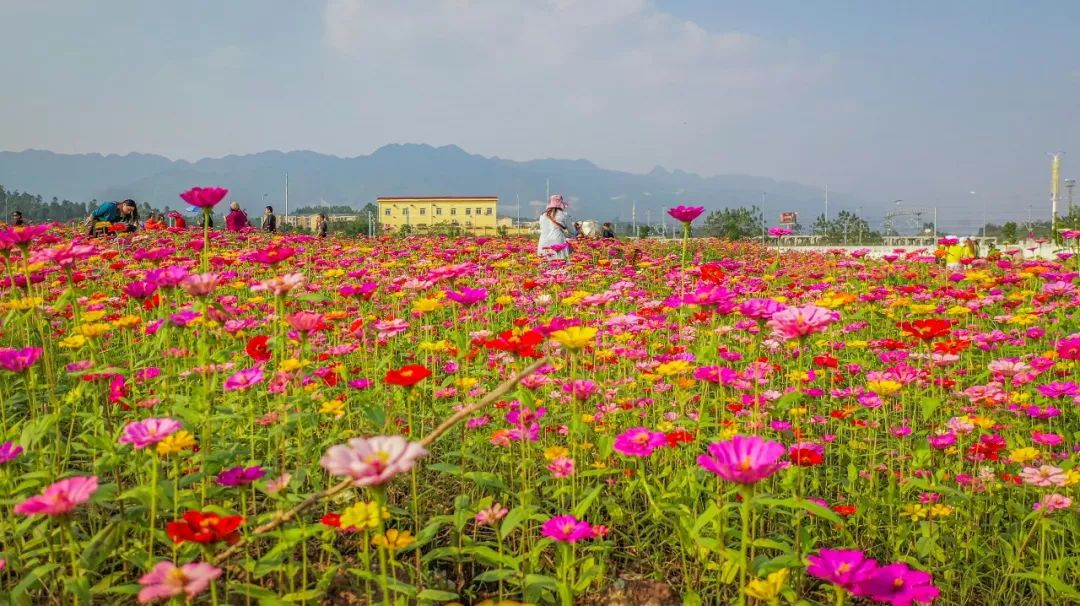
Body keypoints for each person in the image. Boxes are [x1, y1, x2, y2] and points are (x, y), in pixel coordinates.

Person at [537, 194, 570, 259]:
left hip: (543, 243)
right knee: (560, 264)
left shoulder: (542, 216)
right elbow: (572, 232)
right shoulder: (564, 215)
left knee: (545, 265)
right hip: (558, 243)